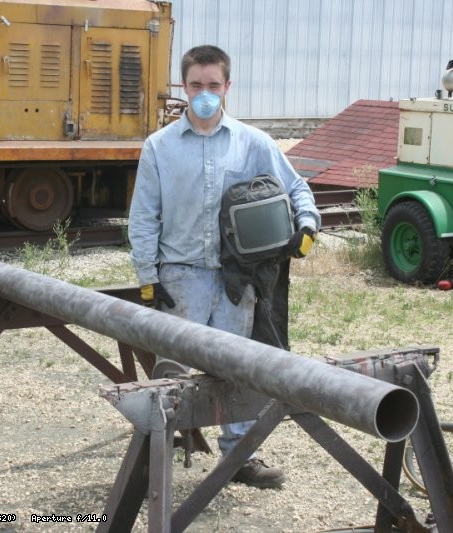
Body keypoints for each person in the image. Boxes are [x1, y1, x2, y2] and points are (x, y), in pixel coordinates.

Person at [127, 45, 321, 489]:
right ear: (184, 87)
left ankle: (240, 458)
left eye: (214, 85)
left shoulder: (253, 143)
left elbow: (297, 187)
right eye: (196, 85)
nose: (205, 94)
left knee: (238, 369)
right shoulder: (159, 148)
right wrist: (147, 279)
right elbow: (143, 218)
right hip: (182, 277)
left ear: (227, 87)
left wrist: (306, 228)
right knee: (171, 370)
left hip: (238, 282)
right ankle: (158, 450)